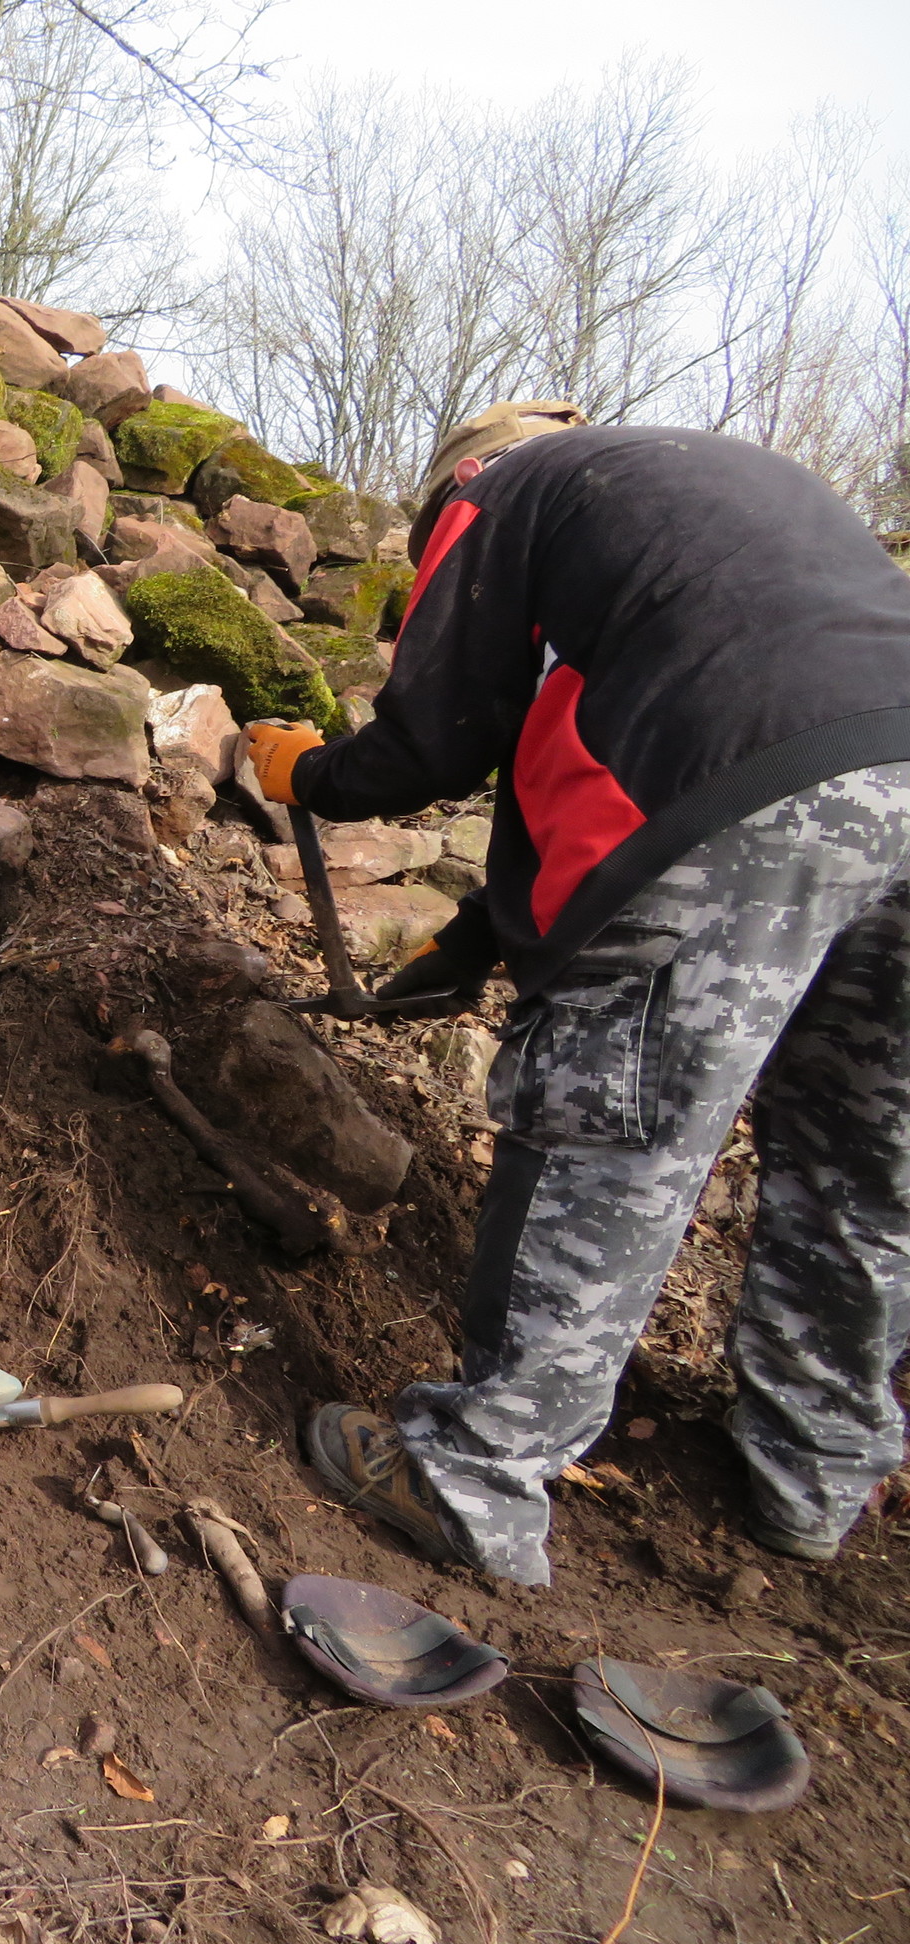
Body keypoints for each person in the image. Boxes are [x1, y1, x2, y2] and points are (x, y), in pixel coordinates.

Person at [241, 401, 910, 1586]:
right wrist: (477, 937)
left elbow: (435, 740)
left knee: (609, 1126)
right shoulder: (705, 499)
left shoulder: (501, 491)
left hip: (751, 793)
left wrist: (312, 773)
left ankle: (472, 1477)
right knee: (857, 1156)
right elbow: (576, 751)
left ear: (458, 480)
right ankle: (814, 1473)